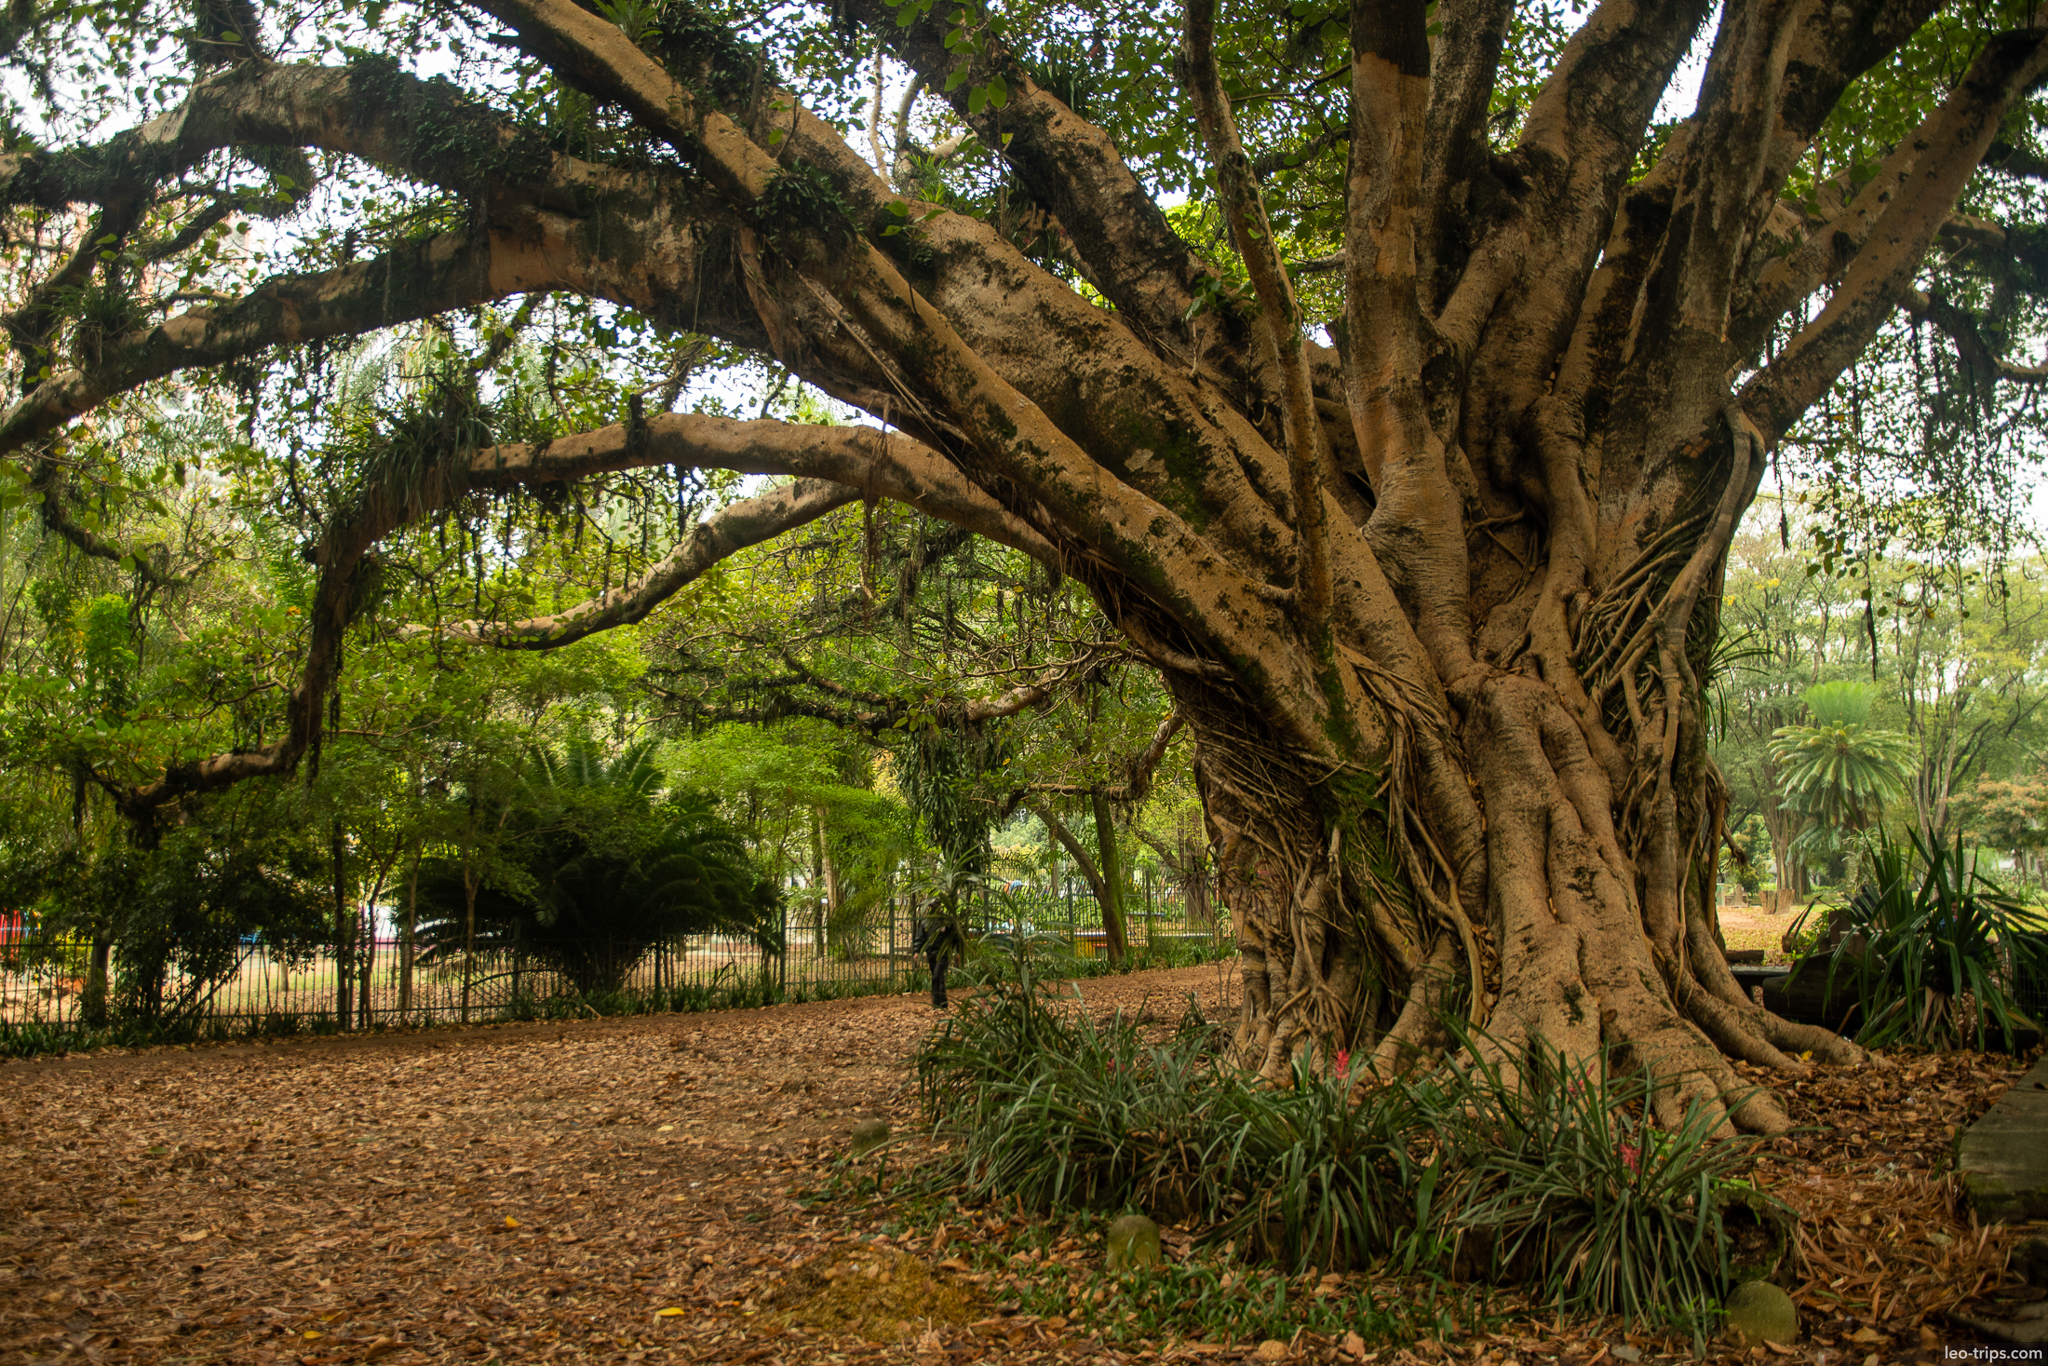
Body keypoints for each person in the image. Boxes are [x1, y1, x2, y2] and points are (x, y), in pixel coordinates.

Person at [909, 909, 965, 1010]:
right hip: (931, 953)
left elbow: (956, 937)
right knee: (938, 979)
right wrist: (916, 951)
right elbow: (920, 937)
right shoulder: (926, 922)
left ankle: (939, 1004)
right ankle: (940, 1004)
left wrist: (958, 952)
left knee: (937, 976)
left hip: (943, 953)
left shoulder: (947, 921)